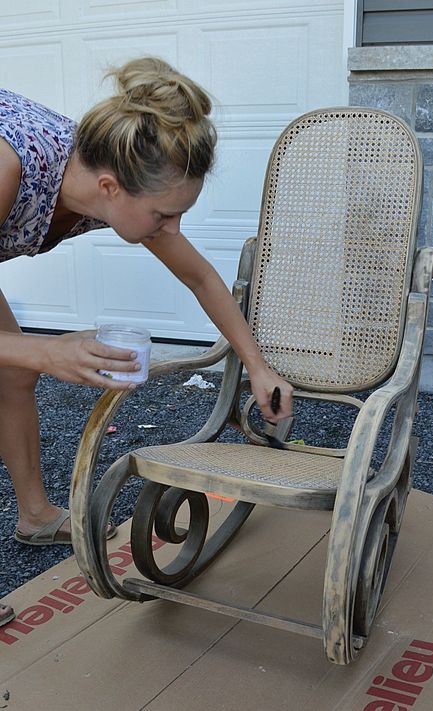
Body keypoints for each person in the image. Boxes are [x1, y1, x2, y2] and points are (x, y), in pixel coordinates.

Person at [0, 56, 293, 625]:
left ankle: (35, 515)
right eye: (164, 215)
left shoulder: (111, 178)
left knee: (12, 369)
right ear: (110, 188)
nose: (172, 229)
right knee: (23, 358)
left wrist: (258, 366)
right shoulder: (11, 168)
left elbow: (201, 276)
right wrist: (46, 348)